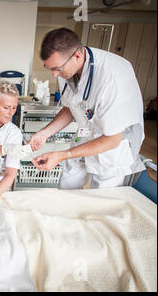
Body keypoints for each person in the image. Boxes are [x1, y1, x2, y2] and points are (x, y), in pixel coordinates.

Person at [29, 27, 145, 189]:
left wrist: (63, 155)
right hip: (87, 132)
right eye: (51, 69)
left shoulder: (112, 78)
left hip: (114, 144)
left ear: (77, 55)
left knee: (102, 197)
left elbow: (112, 139)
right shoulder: (67, 68)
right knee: (68, 183)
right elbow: (71, 106)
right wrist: (45, 133)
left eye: (58, 69)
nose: (55, 75)